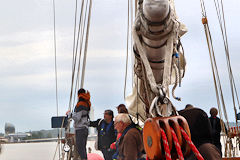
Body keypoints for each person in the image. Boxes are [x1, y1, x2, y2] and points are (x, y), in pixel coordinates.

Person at [66, 88, 90, 160]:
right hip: (85, 128)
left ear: (78, 95)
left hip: (80, 129)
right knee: (83, 148)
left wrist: (69, 114)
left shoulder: (80, 104)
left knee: (80, 148)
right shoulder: (87, 103)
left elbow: (77, 118)